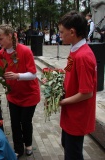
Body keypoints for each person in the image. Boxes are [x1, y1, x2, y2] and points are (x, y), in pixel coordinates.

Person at [0, 24, 40, 158]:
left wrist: (18, 76)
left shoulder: (25, 51)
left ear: (9, 36)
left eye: (1, 39)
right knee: (14, 122)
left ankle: (29, 144)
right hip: (13, 95)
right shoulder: (1, 53)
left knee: (25, 122)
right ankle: (18, 149)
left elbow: (33, 74)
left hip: (29, 94)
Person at [58, 11, 97, 160]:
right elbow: (68, 70)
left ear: (72, 32)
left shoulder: (83, 56)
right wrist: (55, 77)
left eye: (62, 32)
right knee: (67, 145)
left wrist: (62, 102)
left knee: (73, 154)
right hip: (70, 111)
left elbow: (87, 92)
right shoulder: (74, 50)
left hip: (77, 114)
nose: (60, 35)